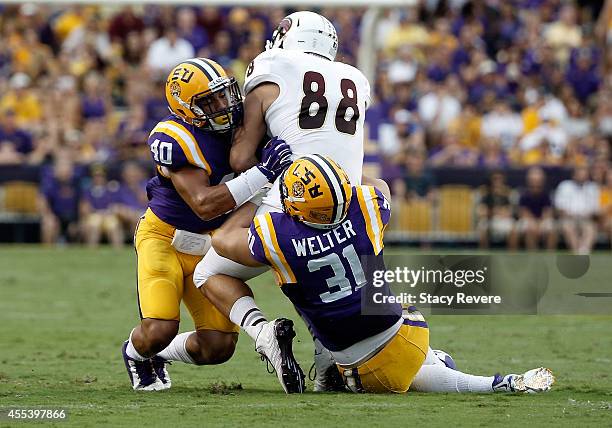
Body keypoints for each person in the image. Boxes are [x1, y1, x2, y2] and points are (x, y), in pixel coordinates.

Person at [209, 156, 555, 394]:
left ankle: (476, 377)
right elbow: (380, 185)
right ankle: (486, 378)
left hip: (355, 365)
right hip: (400, 333)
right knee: (424, 346)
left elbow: (223, 240)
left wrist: (261, 190)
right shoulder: (366, 207)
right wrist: (340, 173)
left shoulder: (278, 234)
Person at [191, 11, 371, 393]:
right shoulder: (356, 78)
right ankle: (330, 358)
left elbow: (241, 158)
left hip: (295, 200)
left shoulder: (272, 65)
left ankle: (263, 332)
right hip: (351, 209)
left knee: (209, 271)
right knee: (318, 276)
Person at [121, 57, 293, 391]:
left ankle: (162, 354)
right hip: (165, 238)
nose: (223, 105)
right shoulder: (175, 136)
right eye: (209, 102)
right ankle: (136, 352)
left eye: (224, 94)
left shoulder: (244, 124)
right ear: (186, 110)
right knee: (158, 329)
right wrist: (262, 173)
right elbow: (203, 204)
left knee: (218, 347)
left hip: (211, 242)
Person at [554, 166, 600, 254]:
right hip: (568, 218)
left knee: (591, 228)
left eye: (584, 175)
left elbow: (595, 207)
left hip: (586, 218)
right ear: (574, 175)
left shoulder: (592, 187)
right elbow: (559, 206)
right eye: (580, 175)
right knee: (568, 227)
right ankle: (576, 251)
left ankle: (584, 251)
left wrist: (587, 214)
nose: (582, 177)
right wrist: (569, 215)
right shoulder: (564, 186)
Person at [517, 167, 557, 250]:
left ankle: (550, 255)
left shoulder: (546, 193)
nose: (535, 182)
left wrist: (540, 223)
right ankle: (533, 253)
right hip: (528, 219)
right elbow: (523, 212)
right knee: (528, 228)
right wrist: (533, 223)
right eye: (533, 179)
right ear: (529, 180)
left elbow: (548, 211)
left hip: (543, 220)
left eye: (538, 179)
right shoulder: (523, 193)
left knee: (551, 228)